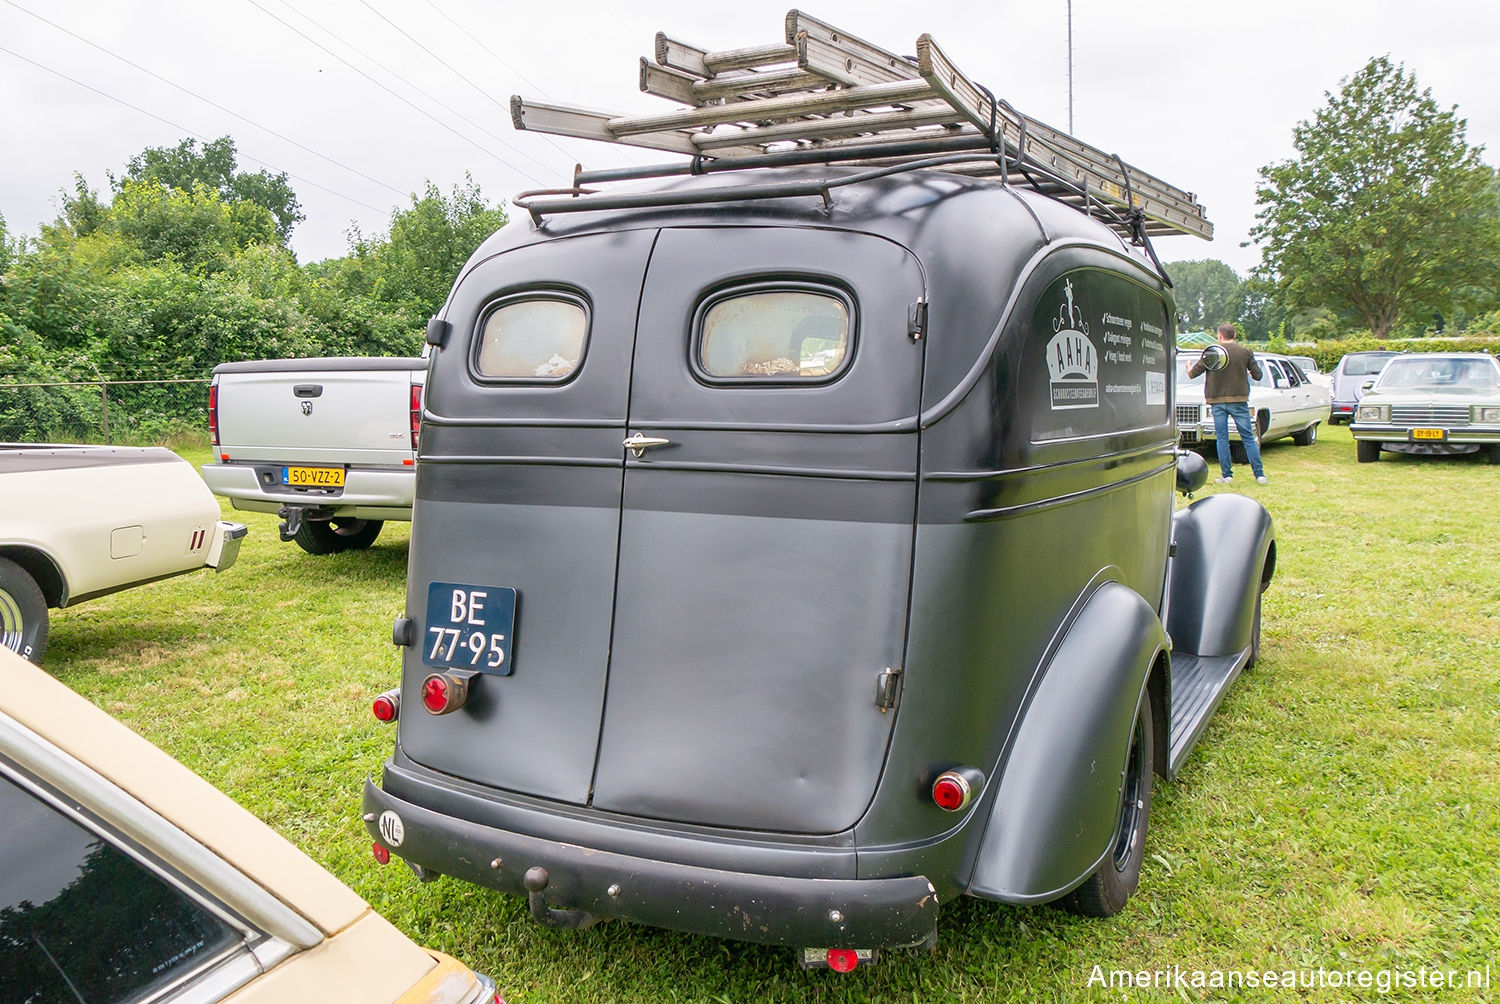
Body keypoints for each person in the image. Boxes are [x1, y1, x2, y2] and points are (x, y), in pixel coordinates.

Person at [1187, 323, 1267, 484]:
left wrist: (1189, 367)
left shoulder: (1212, 352)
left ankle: (1227, 475)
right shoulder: (1245, 352)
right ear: (1234, 335)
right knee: (1248, 438)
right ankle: (1259, 475)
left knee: (1222, 438)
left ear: (1220, 336)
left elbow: (1192, 374)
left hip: (1217, 400)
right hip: (1239, 399)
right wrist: (1250, 372)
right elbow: (1258, 375)